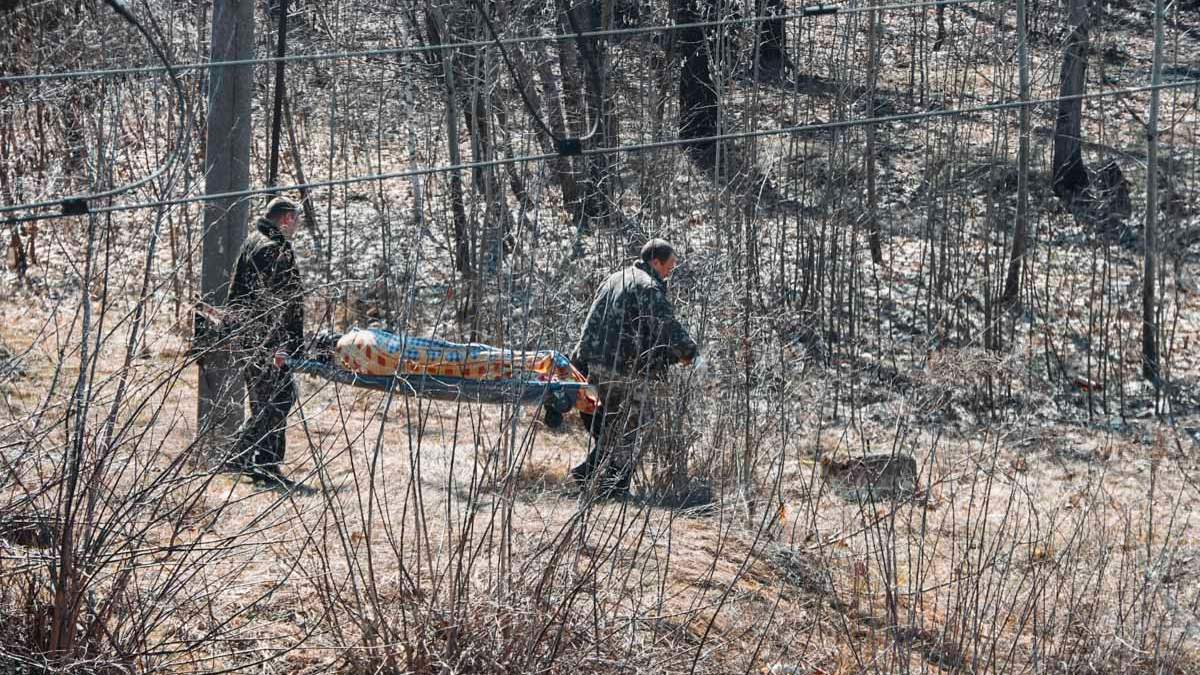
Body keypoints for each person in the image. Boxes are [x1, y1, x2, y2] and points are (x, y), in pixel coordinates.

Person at [570, 238, 699, 498]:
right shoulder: (648, 287)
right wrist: (690, 352)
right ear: (656, 262)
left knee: (611, 426)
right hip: (627, 370)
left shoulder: (613, 279)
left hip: (596, 365)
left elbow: (590, 321)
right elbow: (667, 328)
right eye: (670, 264)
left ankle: (590, 474)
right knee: (636, 427)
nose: (671, 270)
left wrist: (578, 359)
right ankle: (614, 486)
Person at [225, 197, 305, 485]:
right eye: (295, 219)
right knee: (277, 400)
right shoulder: (272, 249)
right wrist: (282, 345)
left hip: (250, 337)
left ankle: (261, 463)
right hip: (266, 341)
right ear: (286, 219)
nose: (296, 225)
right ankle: (243, 457)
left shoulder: (254, 241)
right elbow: (278, 305)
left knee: (269, 402)